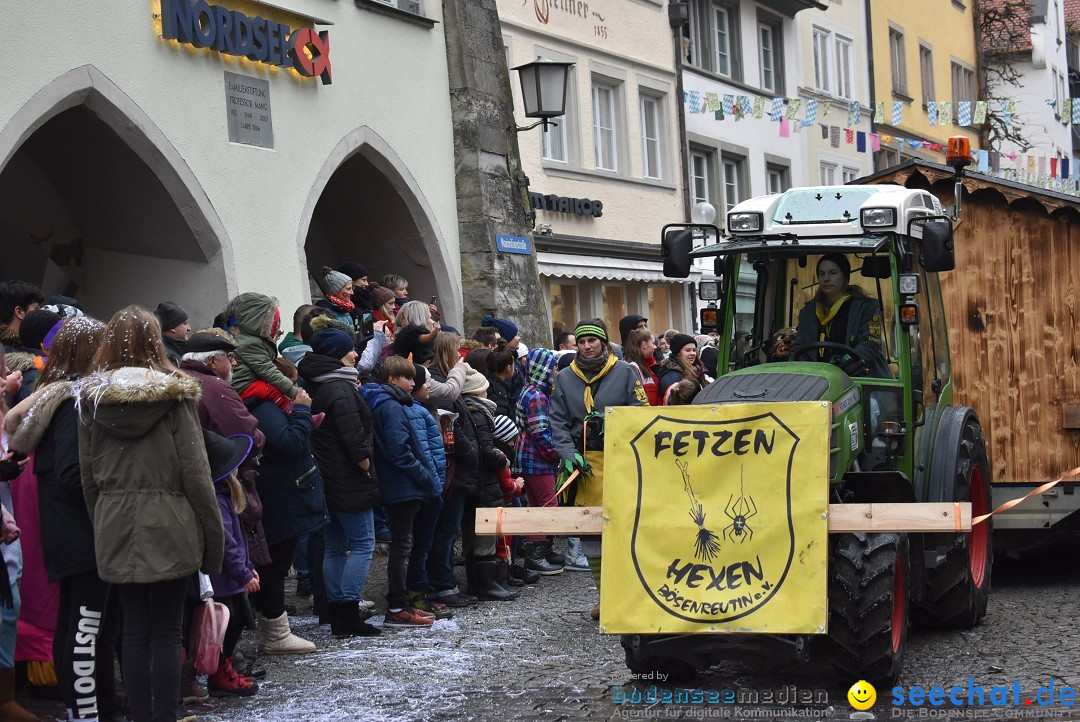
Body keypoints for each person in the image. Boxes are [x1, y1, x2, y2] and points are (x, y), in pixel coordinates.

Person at [77, 306, 224, 722]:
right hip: (171, 520)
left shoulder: (91, 401)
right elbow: (196, 475)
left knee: (133, 629)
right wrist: (212, 543)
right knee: (166, 630)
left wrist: (101, 525)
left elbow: (89, 478)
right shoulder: (175, 395)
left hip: (114, 520)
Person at [4, 318, 122, 722]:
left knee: (83, 626)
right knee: (84, 630)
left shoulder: (61, 397)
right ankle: (85, 714)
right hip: (82, 533)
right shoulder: (74, 402)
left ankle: (96, 709)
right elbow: (74, 476)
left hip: (73, 532)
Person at [549, 319, 647, 619]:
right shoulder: (565, 378)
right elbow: (557, 422)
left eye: (593, 340)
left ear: (603, 342)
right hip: (585, 466)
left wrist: (617, 425)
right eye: (582, 342)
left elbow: (642, 415)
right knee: (591, 533)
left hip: (621, 464)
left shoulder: (626, 372)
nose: (587, 346)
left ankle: (632, 595)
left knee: (628, 531)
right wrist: (567, 454)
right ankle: (605, 598)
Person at [297, 329, 381, 637]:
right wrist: (366, 465)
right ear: (336, 353)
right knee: (362, 543)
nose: (356, 355)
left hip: (326, 478)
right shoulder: (339, 387)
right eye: (349, 350)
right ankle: (347, 611)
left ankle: (336, 610)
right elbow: (353, 436)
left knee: (334, 545)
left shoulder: (316, 383)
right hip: (348, 477)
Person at [245, 360, 327, 655]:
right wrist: (303, 411)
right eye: (293, 382)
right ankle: (276, 633)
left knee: (276, 563)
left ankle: (274, 628)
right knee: (275, 564)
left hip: (282, 492)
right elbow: (289, 443)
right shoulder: (266, 408)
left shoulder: (269, 405)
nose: (298, 389)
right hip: (279, 495)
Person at [359, 357, 439, 627]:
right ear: (392, 379)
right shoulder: (391, 406)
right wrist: (425, 477)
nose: (413, 382)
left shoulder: (387, 403)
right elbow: (399, 450)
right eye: (408, 378)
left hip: (399, 484)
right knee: (403, 546)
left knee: (403, 544)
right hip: (402, 485)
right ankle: (397, 606)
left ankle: (400, 604)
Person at [203, 432, 260, 698]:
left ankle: (223, 668)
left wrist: (247, 567)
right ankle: (219, 673)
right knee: (228, 624)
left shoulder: (224, 495)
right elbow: (226, 542)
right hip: (223, 579)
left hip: (231, 577)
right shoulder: (217, 498)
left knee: (236, 622)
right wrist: (242, 572)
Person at [790, 253, 890, 378]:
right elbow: (799, 346)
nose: (826, 278)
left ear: (845, 278)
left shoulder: (866, 307)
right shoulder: (807, 312)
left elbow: (870, 344)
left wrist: (842, 366)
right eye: (822, 274)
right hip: (817, 381)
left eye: (832, 273)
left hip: (859, 377)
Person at [513, 348, 564, 575]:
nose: (555, 370)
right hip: (538, 459)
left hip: (528, 457)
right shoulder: (537, 396)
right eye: (552, 366)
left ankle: (536, 553)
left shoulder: (529, 390)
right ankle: (537, 557)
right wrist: (557, 455)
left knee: (536, 506)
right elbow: (540, 432)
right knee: (547, 506)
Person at [657, 334, 703, 404]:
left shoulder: (695, 369)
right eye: (688, 350)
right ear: (678, 353)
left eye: (694, 350)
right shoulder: (671, 375)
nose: (692, 353)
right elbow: (673, 401)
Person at [315, 266, 358, 337]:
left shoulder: (345, 307)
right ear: (336, 291)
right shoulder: (326, 312)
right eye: (348, 289)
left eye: (352, 288)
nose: (352, 292)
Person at [623, 328, 660, 406]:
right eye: (653, 343)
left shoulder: (646, 366)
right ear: (644, 345)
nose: (655, 347)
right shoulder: (634, 368)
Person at [154, 301, 190, 366]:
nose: (189, 328)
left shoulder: (180, 349)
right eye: (185, 324)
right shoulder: (167, 357)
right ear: (172, 328)